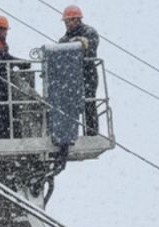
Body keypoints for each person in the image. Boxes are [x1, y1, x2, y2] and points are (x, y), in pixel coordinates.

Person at [59, 5, 100, 135]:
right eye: (65, 22)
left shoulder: (89, 32)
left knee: (88, 102)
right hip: (71, 76)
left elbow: (90, 49)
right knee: (69, 104)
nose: (67, 24)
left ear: (77, 20)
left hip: (87, 73)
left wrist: (78, 44)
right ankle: (69, 134)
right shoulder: (64, 39)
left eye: (69, 21)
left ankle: (91, 132)